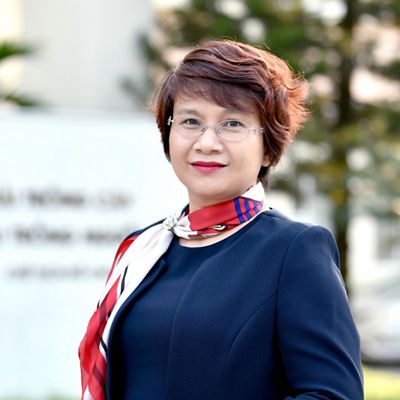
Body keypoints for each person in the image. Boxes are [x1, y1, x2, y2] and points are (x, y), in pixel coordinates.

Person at [78, 40, 363, 399]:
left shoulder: (294, 251)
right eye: (191, 121)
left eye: (232, 123)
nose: (207, 142)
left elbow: (332, 394)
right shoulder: (142, 250)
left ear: (269, 146)